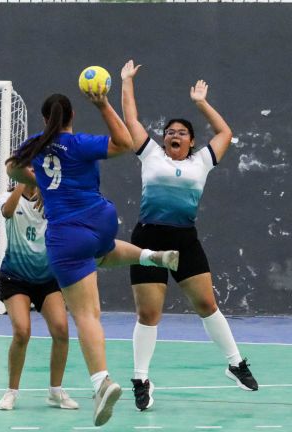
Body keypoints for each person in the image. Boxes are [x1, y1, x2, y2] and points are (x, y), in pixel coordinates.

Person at [6, 89, 180, 427]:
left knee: (87, 315)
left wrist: (37, 181)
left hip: (66, 234)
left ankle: (101, 382)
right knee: (100, 254)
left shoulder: (35, 145)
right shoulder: (80, 143)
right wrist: (102, 104)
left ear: (45, 120)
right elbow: (126, 142)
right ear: (71, 118)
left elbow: (12, 167)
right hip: (100, 219)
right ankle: (151, 256)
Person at [120, 60, 258, 411]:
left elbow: (225, 133)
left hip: (185, 240)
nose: (175, 135)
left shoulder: (202, 161)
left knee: (207, 305)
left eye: (182, 132)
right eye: (170, 132)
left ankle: (235, 363)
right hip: (148, 239)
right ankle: (140, 379)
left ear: (192, 141)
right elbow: (131, 121)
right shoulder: (150, 154)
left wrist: (201, 103)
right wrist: (126, 82)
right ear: (163, 139)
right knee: (149, 314)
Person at [0, 182, 79, 411]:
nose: (33, 170)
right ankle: (11, 392)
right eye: (28, 167)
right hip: (16, 278)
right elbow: (7, 212)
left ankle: (55, 392)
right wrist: (22, 185)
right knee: (22, 332)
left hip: (46, 278)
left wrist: (50, 195)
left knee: (61, 330)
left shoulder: (52, 198)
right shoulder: (8, 196)